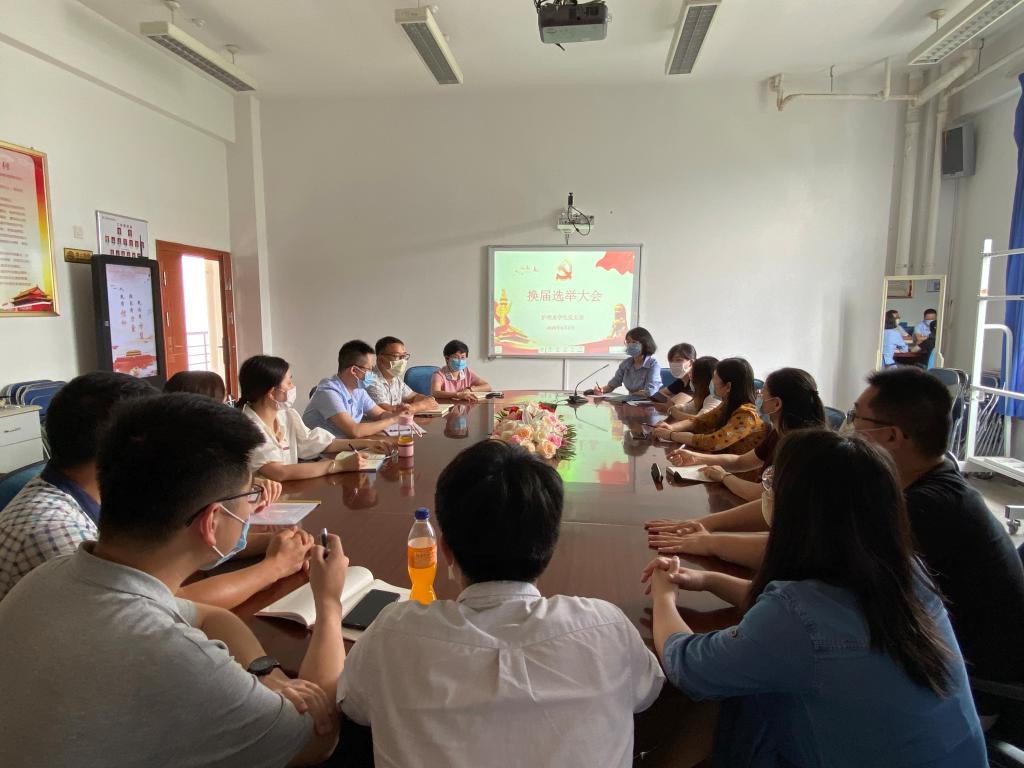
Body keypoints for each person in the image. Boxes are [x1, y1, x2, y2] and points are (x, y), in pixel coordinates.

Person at [0, 394, 348, 766]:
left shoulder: (49, 576)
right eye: (250, 495)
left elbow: (210, 615)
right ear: (212, 521)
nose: (252, 507)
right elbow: (318, 738)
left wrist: (265, 671)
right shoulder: (176, 655)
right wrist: (328, 603)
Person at [643, 429, 986, 767]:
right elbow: (809, 622)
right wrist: (706, 579)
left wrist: (664, 598)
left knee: (730, 699)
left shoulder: (795, 617)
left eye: (772, 485)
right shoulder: (906, 571)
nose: (767, 494)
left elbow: (688, 666)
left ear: (800, 510)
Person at [337, 440, 664, 766]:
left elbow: (349, 703)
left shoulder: (393, 636)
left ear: (445, 549)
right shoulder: (607, 630)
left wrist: (328, 604)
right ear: (550, 546)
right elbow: (648, 691)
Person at [0, 374, 299, 608]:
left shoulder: (103, 495)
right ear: (118, 447)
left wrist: (269, 543)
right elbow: (157, 608)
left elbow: (175, 547)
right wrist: (273, 568)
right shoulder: (57, 533)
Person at [850, 367, 1024, 686]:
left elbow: (828, 564)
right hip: (944, 655)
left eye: (856, 418)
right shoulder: (927, 482)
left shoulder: (928, 507)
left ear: (891, 436)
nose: (850, 430)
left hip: (976, 684)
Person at [659, 367, 825, 501]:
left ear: (776, 404)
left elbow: (761, 495)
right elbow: (740, 461)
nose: (759, 394)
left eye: (763, 391)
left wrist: (724, 477)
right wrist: (696, 458)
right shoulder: (779, 432)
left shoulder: (800, 447)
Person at [238, 355, 380, 482]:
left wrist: (367, 443)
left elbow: (317, 442)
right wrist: (340, 465)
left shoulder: (286, 415)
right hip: (262, 500)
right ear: (271, 393)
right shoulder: (248, 428)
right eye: (289, 383)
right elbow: (279, 472)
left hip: (288, 492)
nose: (293, 387)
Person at [651, 357, 766, 453]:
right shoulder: (726, 404)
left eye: (715, 378)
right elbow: (700, 421)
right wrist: (671, 427)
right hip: (719, 464)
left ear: (728, 386)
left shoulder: (747, 414)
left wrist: (672, 435)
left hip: (737, 471)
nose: (711, 382)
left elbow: (713, 442)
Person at [304, 340, 405, 438]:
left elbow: (380, 414)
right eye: (369, 369)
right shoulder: (327, 392)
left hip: (346, 444)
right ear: (354, 370)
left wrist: (398, 415)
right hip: (321, 449)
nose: (372, 374)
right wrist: (393, 420)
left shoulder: (358, 390)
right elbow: (354, 431)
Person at [365, 336, 439, 413]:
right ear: (380, 359)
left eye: (404, 356)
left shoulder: (395, 378)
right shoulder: (369, 380)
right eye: (397, 356)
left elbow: (413, 396)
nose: (403, 360)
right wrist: (421, 406)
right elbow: (385, 411)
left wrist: (427, 400)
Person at [593, 326, 661, 397]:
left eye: (634, 342)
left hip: (648, 402)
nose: (630, 345)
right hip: (631, 401)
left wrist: (628, 396)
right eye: (628, 342)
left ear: (645, 344)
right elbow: (612, 385)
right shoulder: (626, 364)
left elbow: (650, 392)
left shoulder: (653, 365)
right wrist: (601, 390)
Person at [651, 342, 697, 410]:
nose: (674, 363)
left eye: (678, 360)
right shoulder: (681, 381)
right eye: (671, 361)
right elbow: (657, 395)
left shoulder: (695, 381)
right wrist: (672, 400)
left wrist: (670, 401)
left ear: (691, 363)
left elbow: (674, 407)